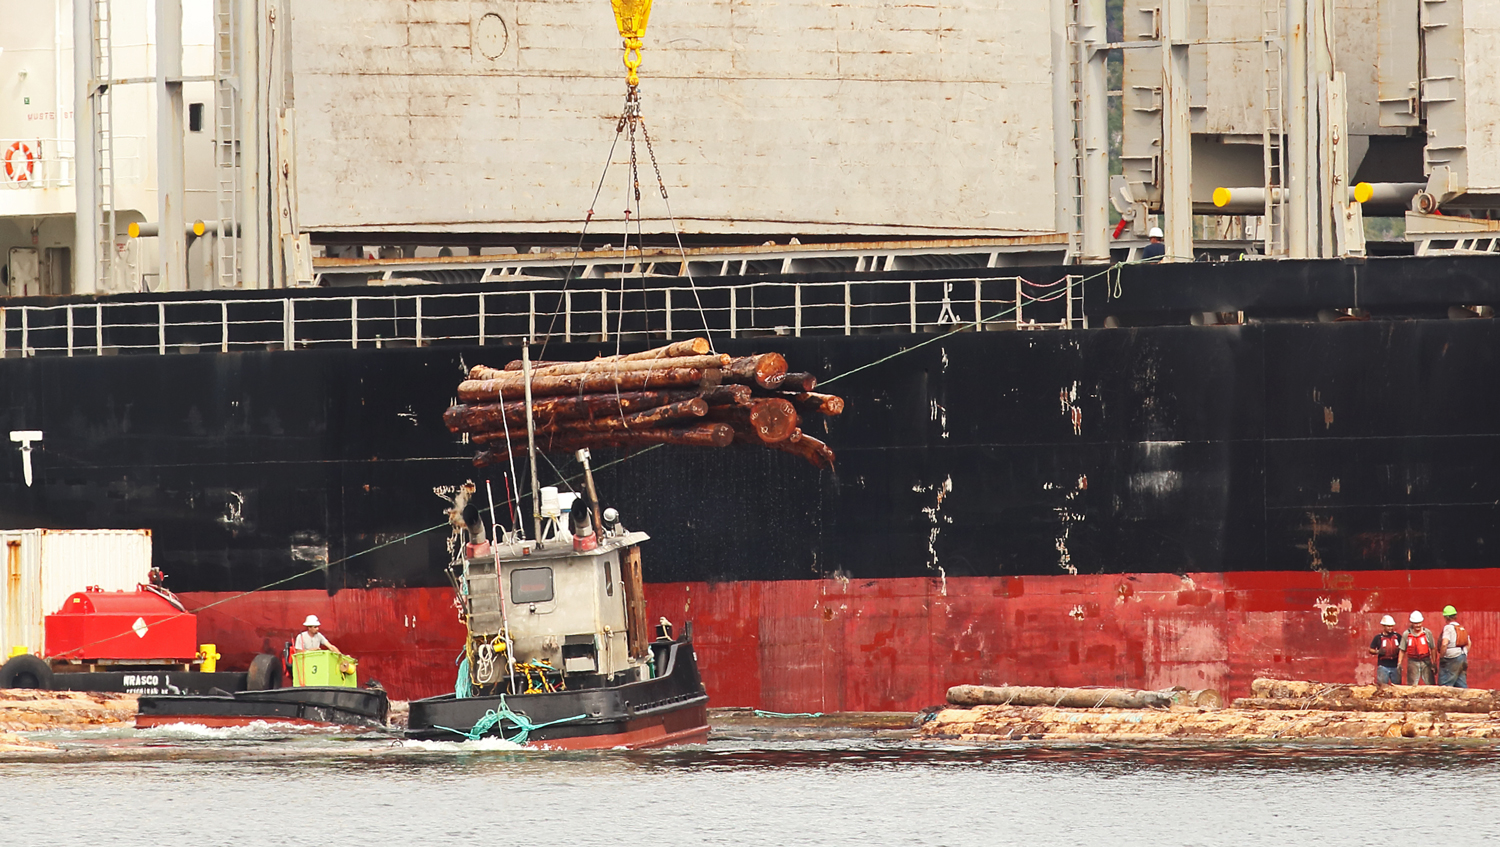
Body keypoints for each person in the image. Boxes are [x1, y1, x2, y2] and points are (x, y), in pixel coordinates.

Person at [1401, 610, 1436, 685]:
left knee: (1430, 683)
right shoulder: (1406, 634)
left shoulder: (1427, 633)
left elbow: (1433, 648)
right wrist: (1399, 663)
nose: (1418, 625)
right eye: (1415, 623)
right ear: (1412, 623)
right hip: (1412, 661)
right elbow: (1402, 650)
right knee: (1412, 684)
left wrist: (1434, 662)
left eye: (1419, 623)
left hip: (1426, 661)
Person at [1439, 604, 1470, 688]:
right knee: (1461, 683)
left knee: (1445, 684)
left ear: (1446, 617)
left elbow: (1444, 643)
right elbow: (1468, 643)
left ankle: (1445, 701)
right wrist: (1464, 654)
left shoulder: (1448, 628)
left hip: (1451, 658)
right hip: (1462, 656)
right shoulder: (1461, 627)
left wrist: (1442, 656)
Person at [1368, 615, 1403, 685]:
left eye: (1391, 626)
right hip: (1383, 666)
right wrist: (1378, 651)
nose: (1390, 628)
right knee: (1382, 687)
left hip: (1395, 666)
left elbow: (1403, 648)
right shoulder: (1378, 637)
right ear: (1383, 626)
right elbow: (1370, 650)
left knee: (1397, 687)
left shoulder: (1397, 636)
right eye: (1388, 626)